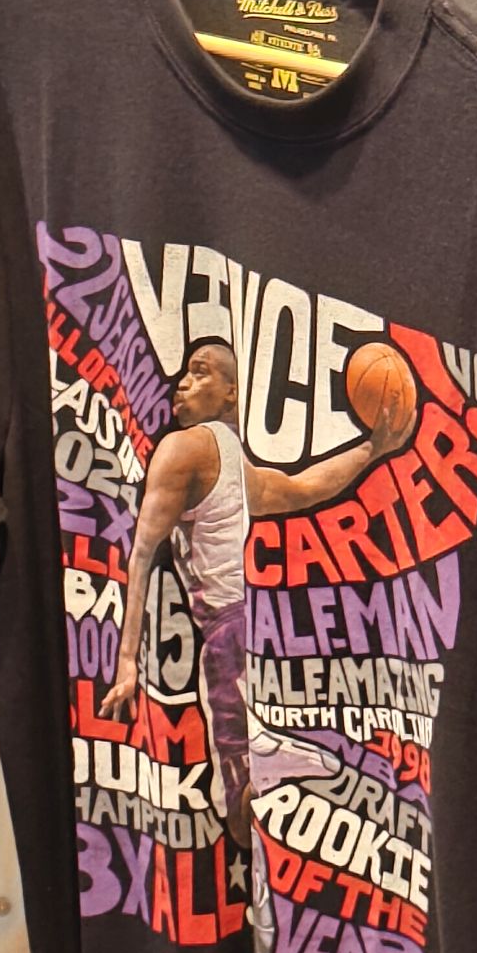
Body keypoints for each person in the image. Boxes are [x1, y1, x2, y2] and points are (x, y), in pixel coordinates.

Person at [100, 339, 408, 848]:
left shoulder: (185, 447)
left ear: (232, 392)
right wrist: (371, 449)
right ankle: (266, 752)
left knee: (238, 819)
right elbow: (306, 487)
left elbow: (142, 553)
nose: (182, 382)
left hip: (229, 631)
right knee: (251, 807)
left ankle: (260, 757)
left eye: (200, 372)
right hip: (258, 627)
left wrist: (127, 660)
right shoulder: (228, 457)